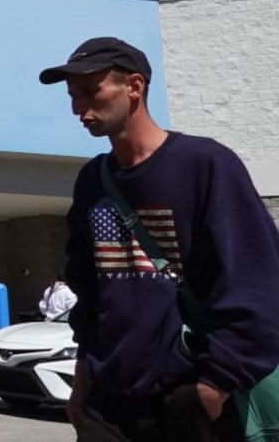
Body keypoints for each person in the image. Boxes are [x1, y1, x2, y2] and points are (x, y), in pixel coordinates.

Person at [40, 37, 279, 442]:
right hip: (108, 401)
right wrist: (82, 383)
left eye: (90, 92)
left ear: (134, 87)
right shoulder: (93, 181)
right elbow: (89, 294)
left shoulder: (204, 165)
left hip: (188, 394)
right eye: (72, 96)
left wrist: (215, 384)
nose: (78, 108)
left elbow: (258, 282)